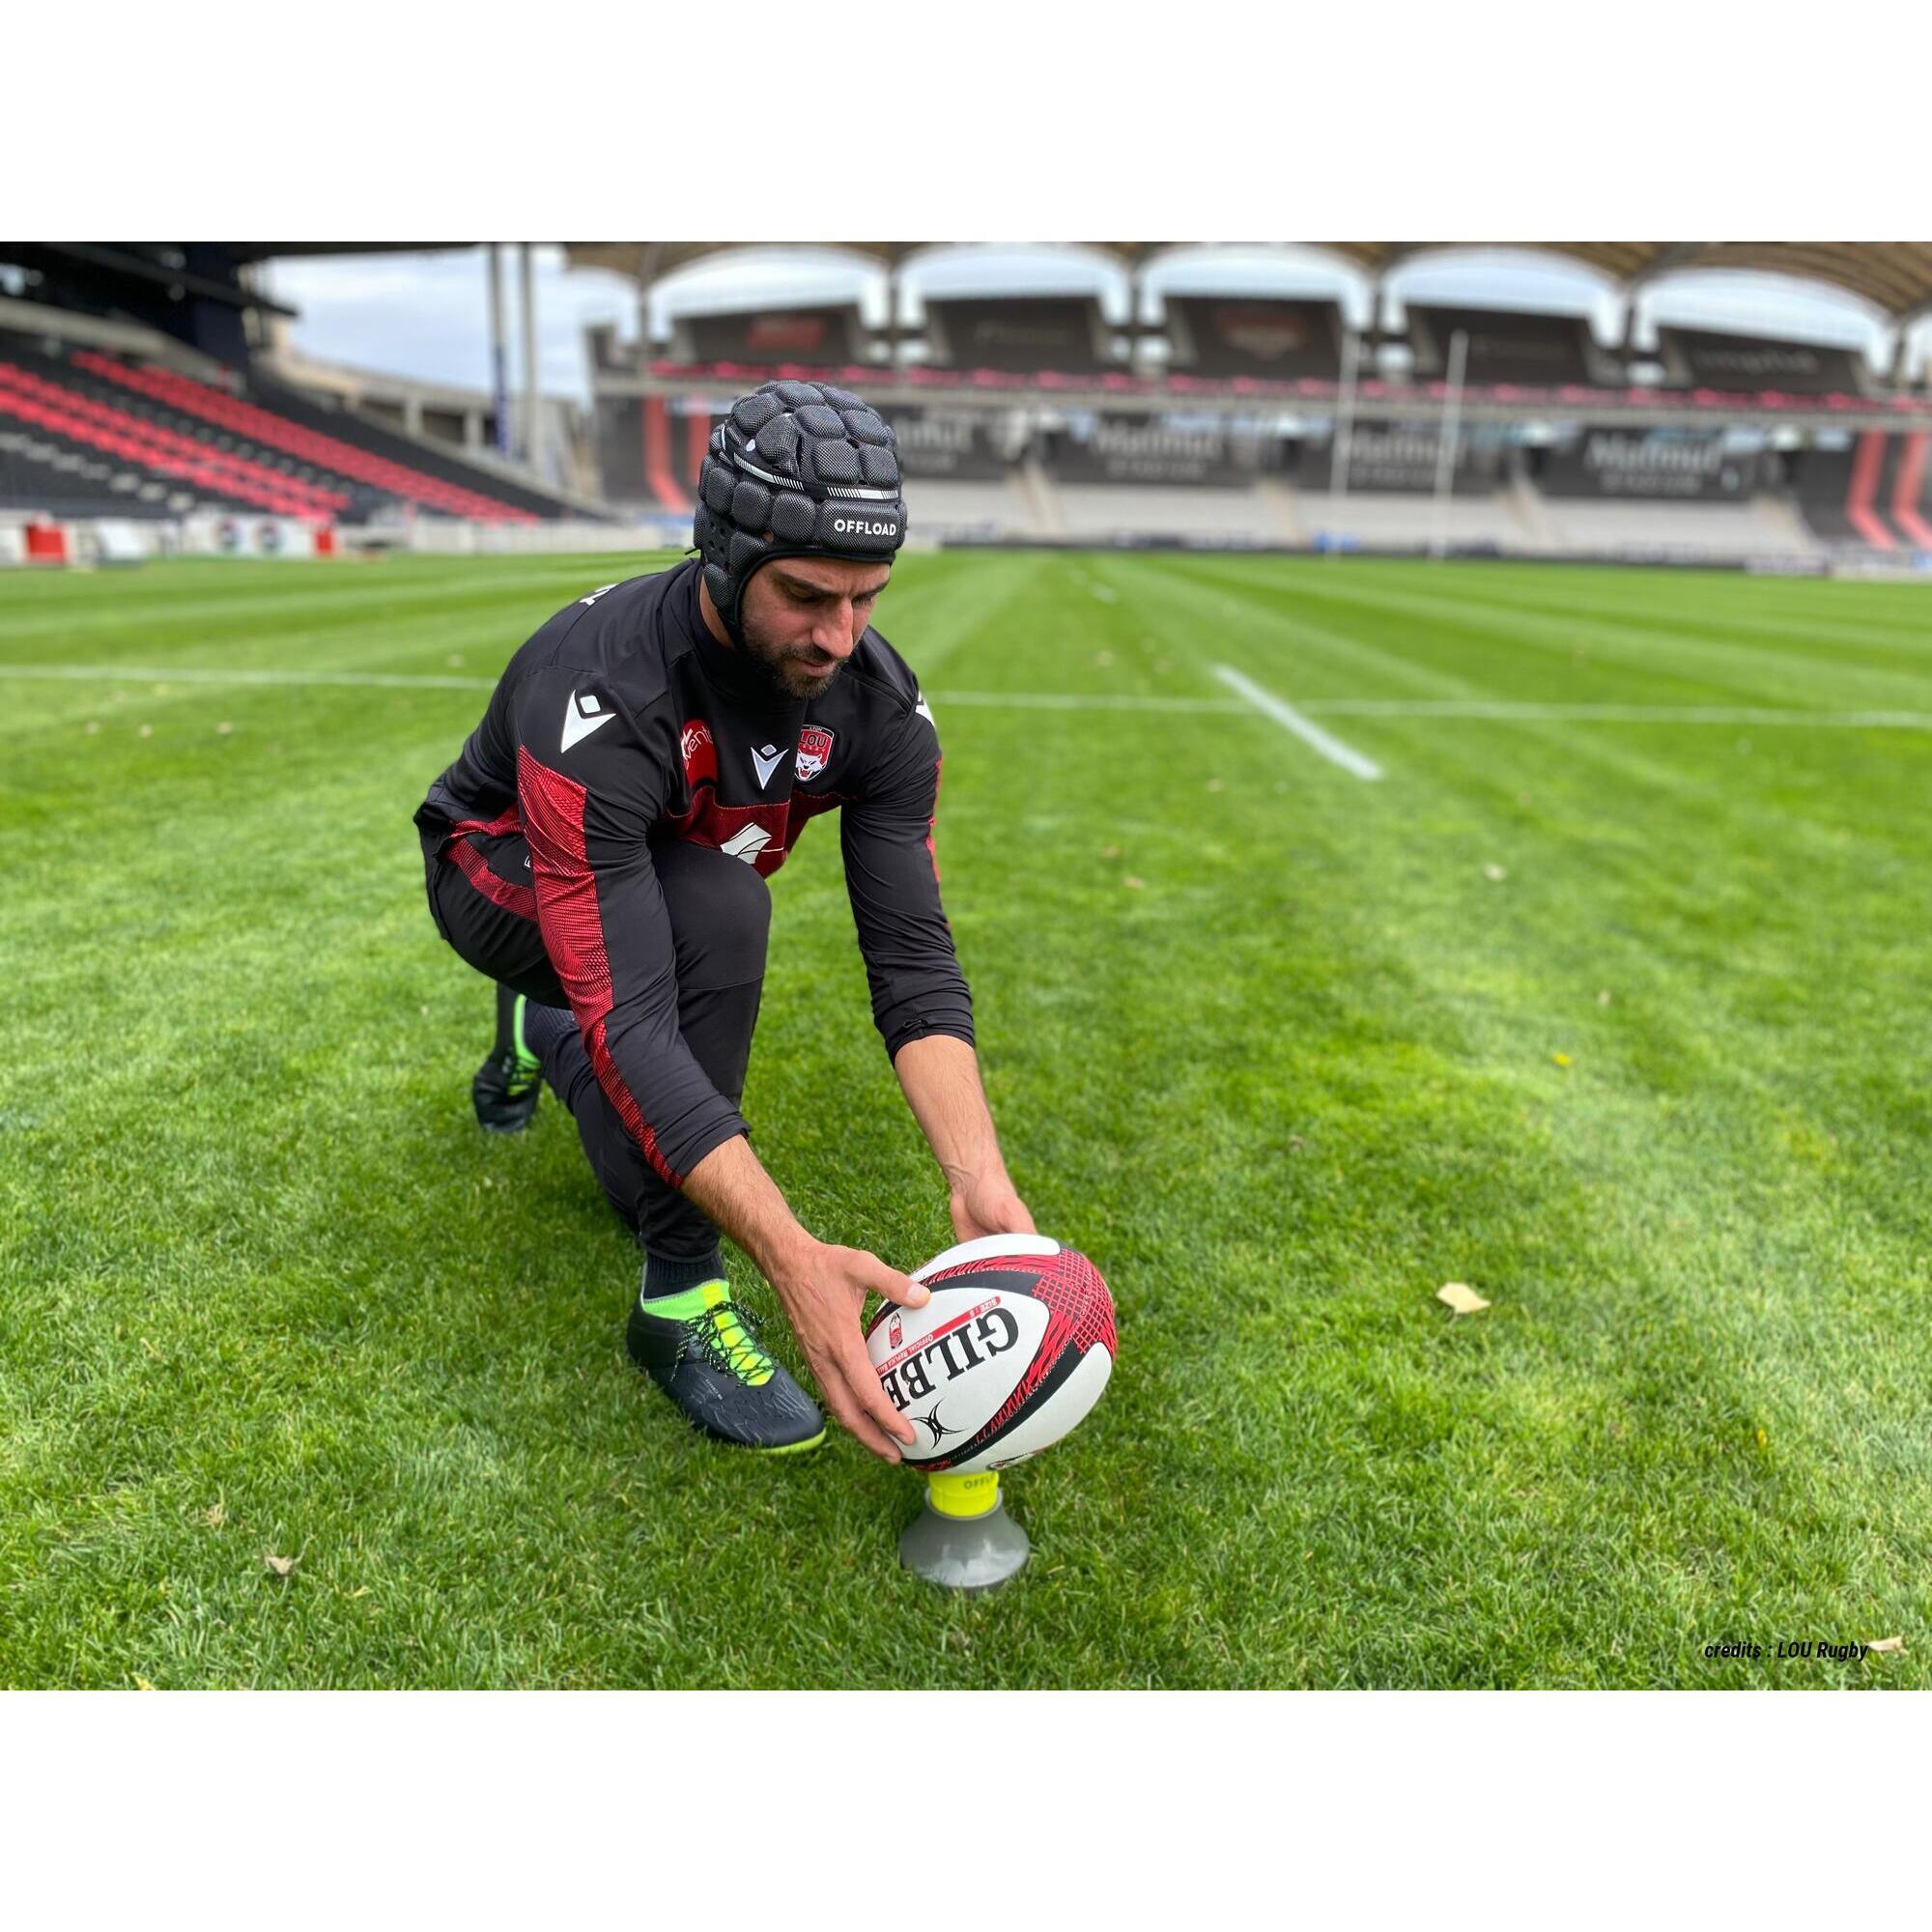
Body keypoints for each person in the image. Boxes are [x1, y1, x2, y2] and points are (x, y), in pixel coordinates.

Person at [413, 380, 1034, 1460]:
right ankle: (676, 1303)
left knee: (637, 1146)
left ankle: (535, 1031)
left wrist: (972, 1170)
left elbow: (911, 956)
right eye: (803, 594)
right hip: (498, 869)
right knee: (714, 912)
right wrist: (789, 1257)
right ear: (722, 554)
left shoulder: (879, 708)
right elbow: (640, 1021)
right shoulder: (603, 691)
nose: (838, 635)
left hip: (649, 878)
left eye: (867, 596)